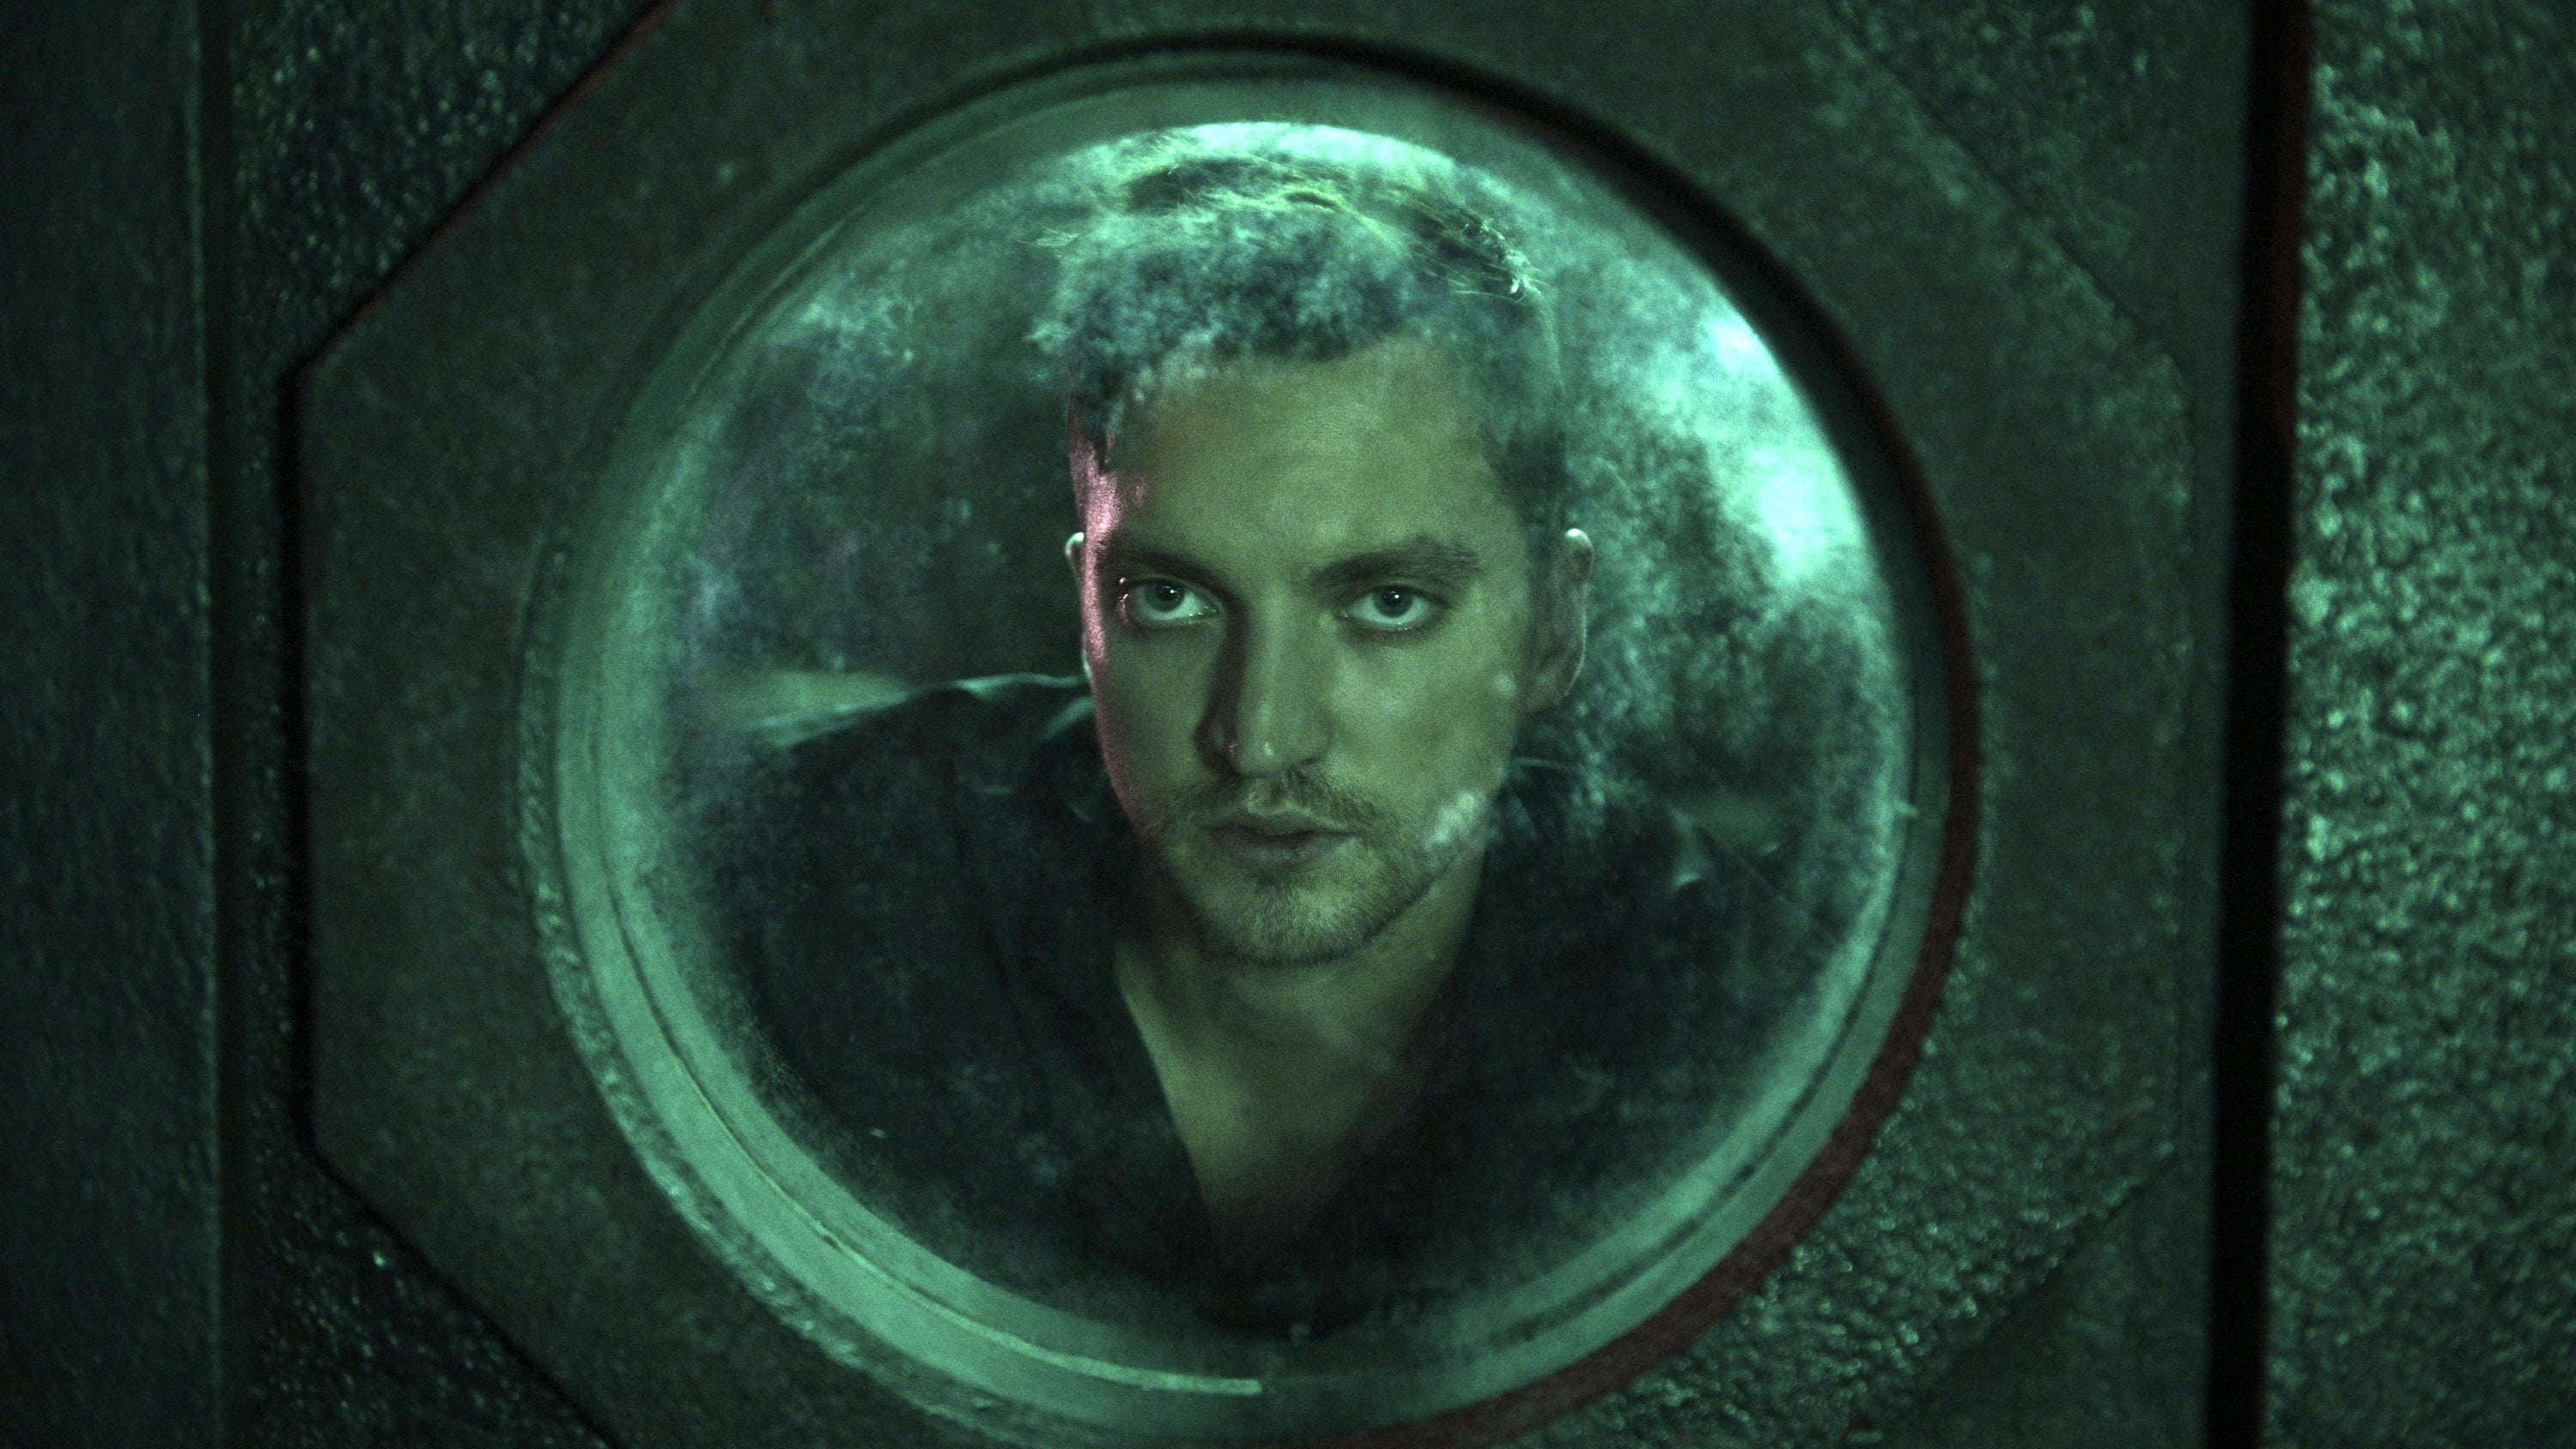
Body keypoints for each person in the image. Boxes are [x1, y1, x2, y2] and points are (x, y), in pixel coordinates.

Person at [713, 142, 1801, 1340]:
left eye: (1388, 603)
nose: (1262, 737)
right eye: (1172, 599)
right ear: (1088, 612)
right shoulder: (806, 879)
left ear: (1554, 627)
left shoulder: (1720, 1017)